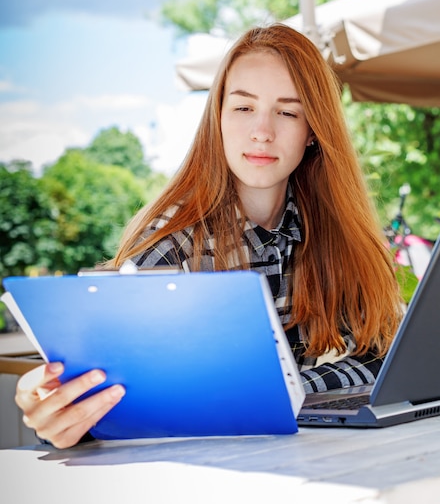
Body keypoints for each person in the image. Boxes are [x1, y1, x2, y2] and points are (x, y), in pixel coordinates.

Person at [15, 23, 403, 449]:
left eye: (288, 112)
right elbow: (111, 407)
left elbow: (391, 357)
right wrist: (61, 418)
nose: (262, 131)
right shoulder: (167, 251)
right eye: (243, 108)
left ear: (313, 130)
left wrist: (288, 391)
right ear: (217, 119)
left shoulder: (339, 239)